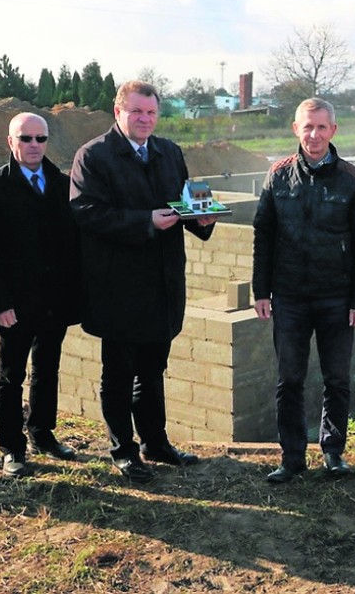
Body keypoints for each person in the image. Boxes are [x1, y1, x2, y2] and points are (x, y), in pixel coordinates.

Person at [70, 80, 215, 482]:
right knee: (119, 373)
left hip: (164, 283)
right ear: (118, 113)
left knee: (153, 368)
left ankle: (155, 441)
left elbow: (187, 202)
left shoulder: (169, 151)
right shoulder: (94, 156)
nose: (145, 119)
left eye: (151, 113)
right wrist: (144, 221)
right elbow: (85, 212)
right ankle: (123, 449)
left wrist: (202, 220)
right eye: (137, 112)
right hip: (119, 285)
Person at [252, 97, 355, 483]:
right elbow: (264, 235)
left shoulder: (354, 181)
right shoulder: (278, 175)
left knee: (336, 378)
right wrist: (261, 290)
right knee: (289, 379)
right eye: (307, 126)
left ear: (333, 131)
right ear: (295, 129)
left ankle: (333, 452)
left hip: (336, 298)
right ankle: (291, 457)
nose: (314, 134)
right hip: (289, 297)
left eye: (322, 127)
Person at [0, 112, 81, 478]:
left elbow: (73, 245)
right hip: (15, 305)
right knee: (11, 375)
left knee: (47, 369)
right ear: (10, 142)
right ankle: (11, 448)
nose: (34, 145)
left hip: (54, 301)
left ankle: (42, 433)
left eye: (40, 139)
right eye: (26, 138)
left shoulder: (63, 184)